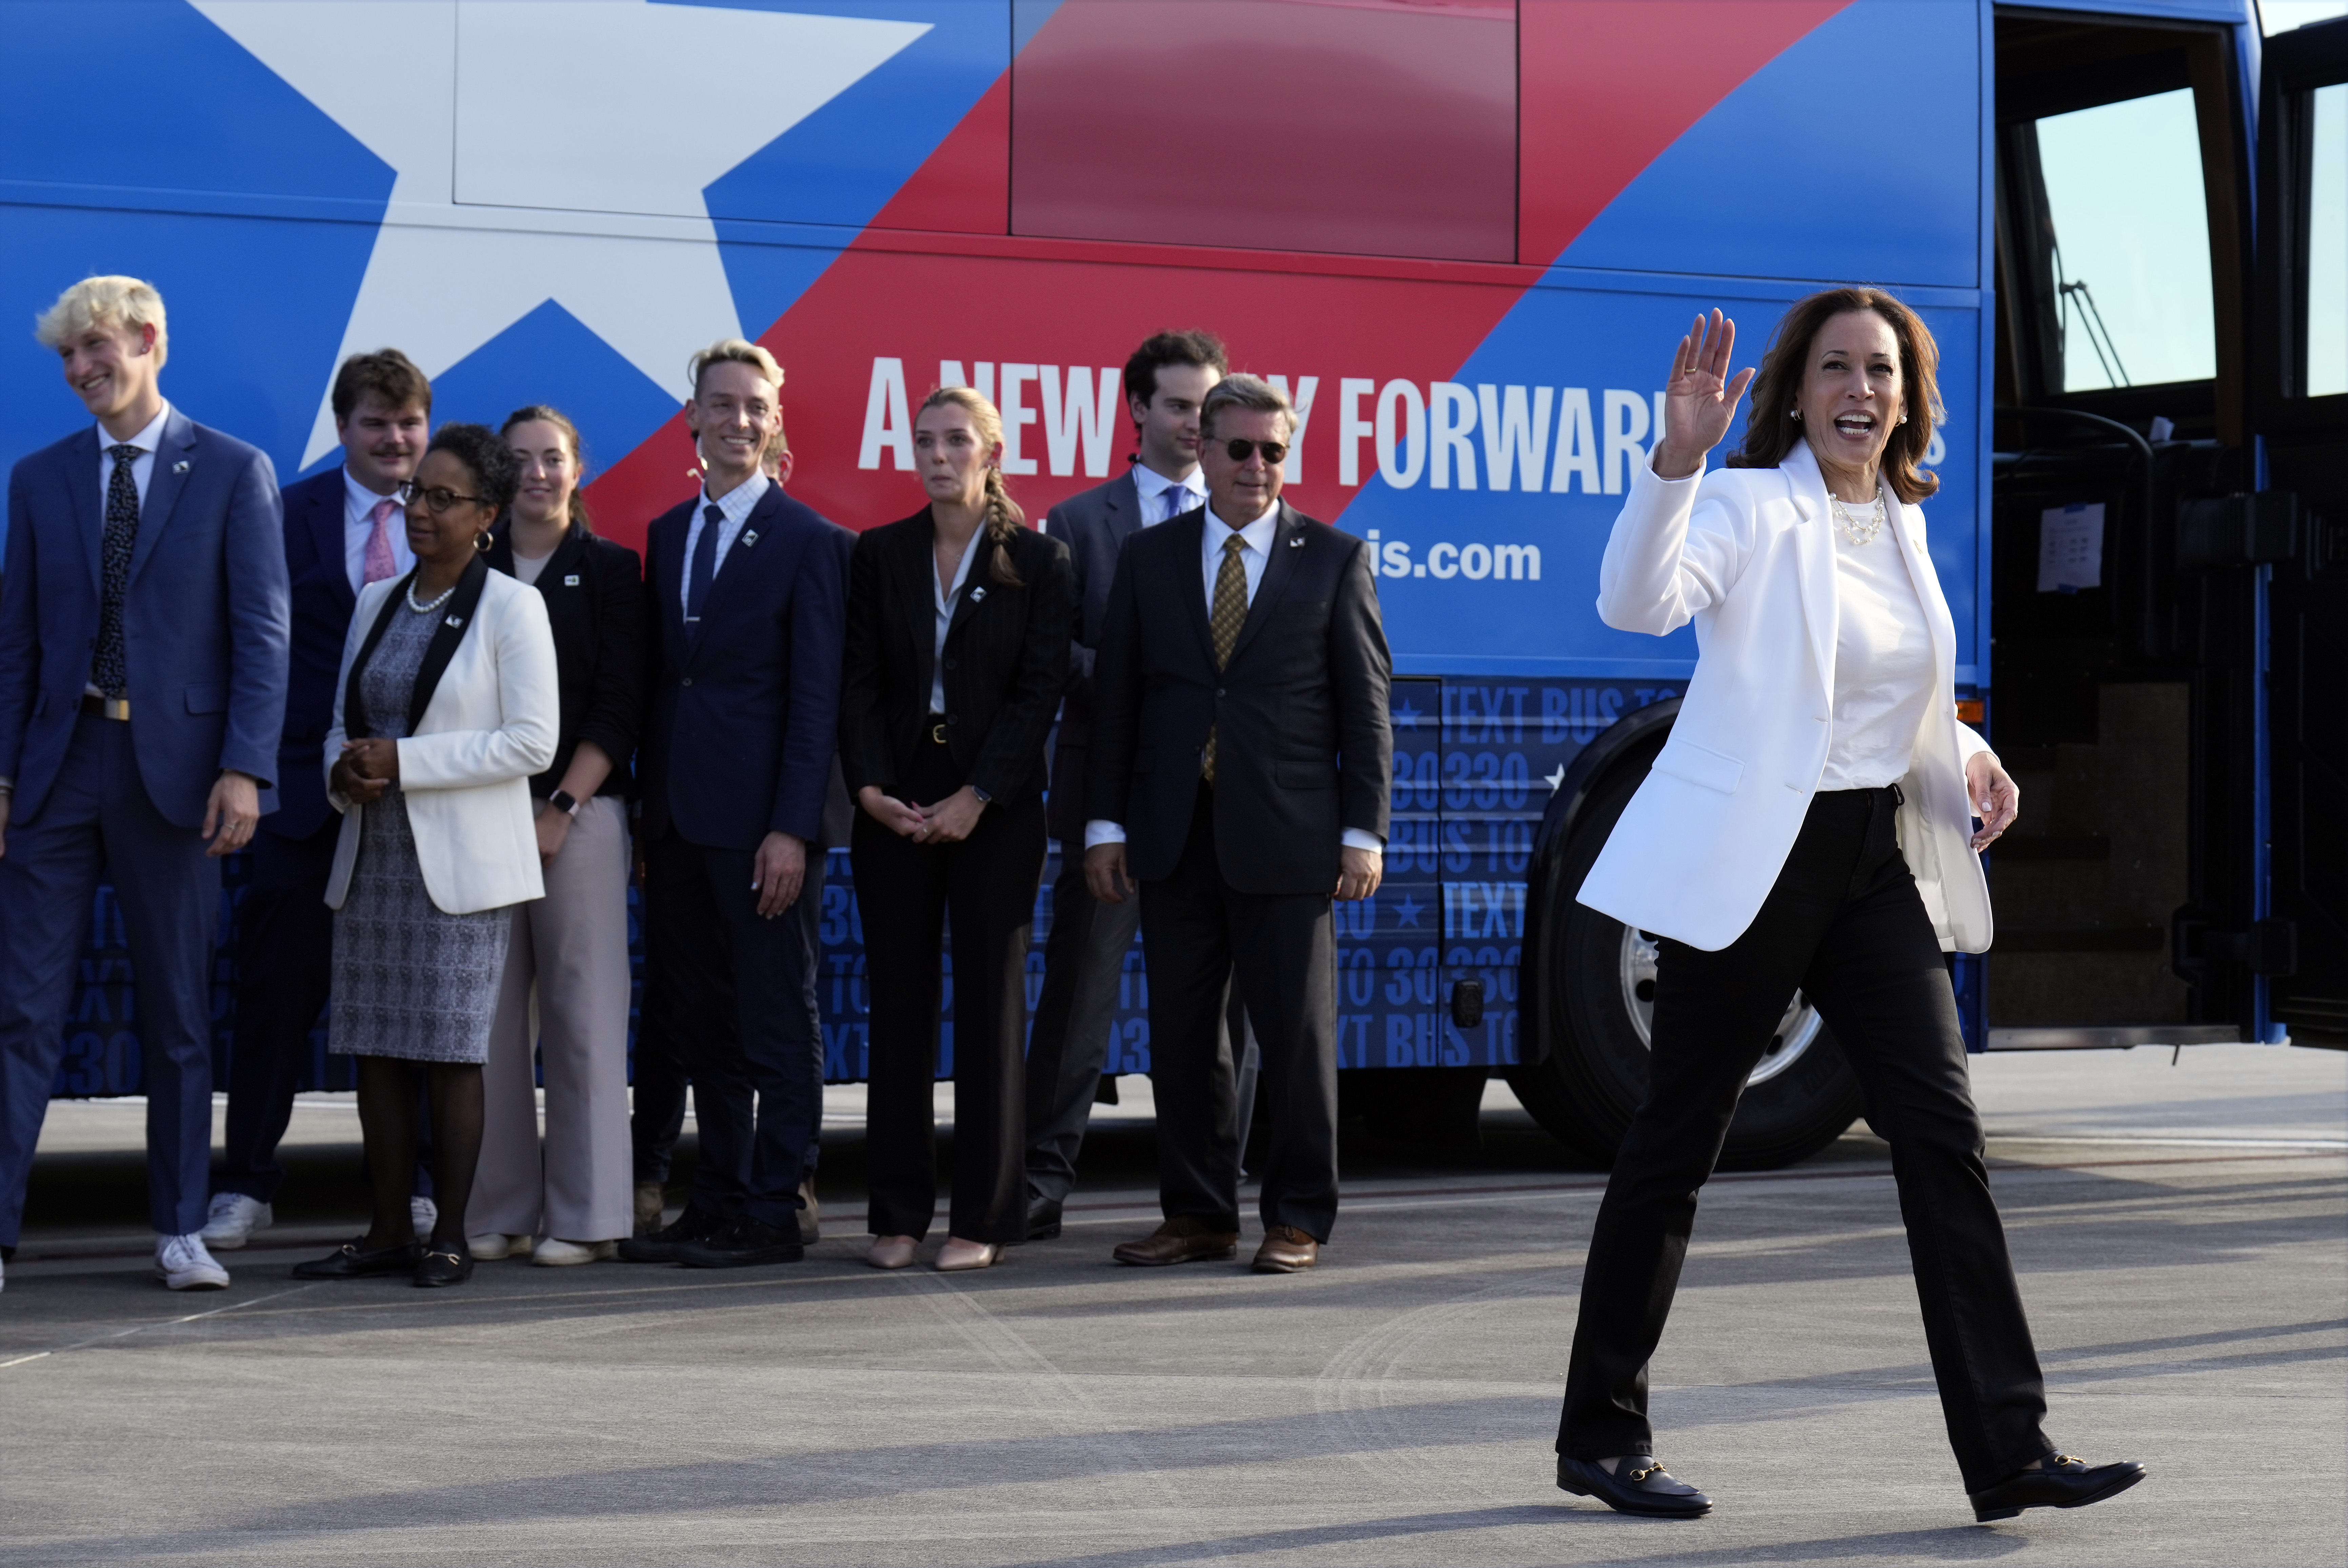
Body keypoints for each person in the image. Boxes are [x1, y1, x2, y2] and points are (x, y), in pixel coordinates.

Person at [1552, 298, 2143, 1523]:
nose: (1858, 389)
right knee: (1676, 1141)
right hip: (1753, 865)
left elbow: (1893, 691)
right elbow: (1632, 602)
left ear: (1906, 394)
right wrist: (1677, 458)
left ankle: (2008, 1446)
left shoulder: (1901, 519)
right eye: (1834, 368)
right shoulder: (1745, 505)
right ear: (1795, 390)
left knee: (1940, 1133)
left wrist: (1962, 760)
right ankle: (1600, 1432)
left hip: (1871, 860)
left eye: (1879, 369)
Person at [0, 276, 290, 1295]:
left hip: (178, 778)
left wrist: (247, 768)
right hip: (57, 766)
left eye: (96, 349)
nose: (82, 370)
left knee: (175, 1015)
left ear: (149, 341)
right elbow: (16, 643)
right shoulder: (37, 480)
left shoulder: (232, 471)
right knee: (22, 1011)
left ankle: (178, 1227)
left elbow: (263, 634)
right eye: (67, 357)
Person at [1083, 374, 1392, 1275]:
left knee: (1296, 1043)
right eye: (1241, 448)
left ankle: (1297, 1215)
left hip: (1291, 841)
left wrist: (1363, 833)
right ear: (1204, 451)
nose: (1258, 466)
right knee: (1182, 1040)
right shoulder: (1151, 557)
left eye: (1274, 450)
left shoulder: (1333, 557)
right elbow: (1118, 705)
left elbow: (1366, 707)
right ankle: (1198, 1214)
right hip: (1174, 838)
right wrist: (1106, 825)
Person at [292, 424, 558, 1289]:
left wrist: (405, 763)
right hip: (375, 856)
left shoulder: (513, 607)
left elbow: (532, 742)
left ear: (486, 515)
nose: (421, 511)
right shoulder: (376, 598)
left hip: (460, 870)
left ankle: (449, 1232)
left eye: (444, 499)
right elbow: (345, 718)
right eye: (417, 494)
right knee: (376, 1048)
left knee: (449, 1053)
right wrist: (346, 771)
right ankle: (382, 1230)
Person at [621, 339, 848, 1270]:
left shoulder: (813, 541)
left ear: (775, 421)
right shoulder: (669, 534)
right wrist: (645, 816)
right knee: (699, 1020)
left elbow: (815, 702)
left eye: (756, 406)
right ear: (695, 420)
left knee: (775, 1021)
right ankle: (713, 1197)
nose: (739, 421)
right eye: (723, 405)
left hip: (764, 833)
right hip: (677, 827)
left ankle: (775, 1203)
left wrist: (793, 827)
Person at [203, 349, 430, 1252]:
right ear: (344, 430)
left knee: (410, 1005)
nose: (395, 439)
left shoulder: (447, 514)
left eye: (409, 422)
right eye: (377, 422)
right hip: (297, 798)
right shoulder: (283, 509)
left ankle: (417, 1185)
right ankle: (247, 1184)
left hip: (414, 802)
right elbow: (245, 643)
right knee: (273, 999)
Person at [841, 388, 1073, 1272]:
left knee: (989, 1006)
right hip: (896, 800)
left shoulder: (1040, 560)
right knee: (897, 1006)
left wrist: (980, 794)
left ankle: (983, 1217)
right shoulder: (881, 554)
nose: (939, 454)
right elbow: (858, 680)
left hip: (997, 808)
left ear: (991, 450)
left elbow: (1038, 692)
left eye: (957, 441)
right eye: (926, 440)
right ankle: (897, 1213)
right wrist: (868, 788)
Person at [1023, 329, 1226, 1242]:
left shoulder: (1245, 517)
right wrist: (1149, 679)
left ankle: (1214, 1193)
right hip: (1106, 797)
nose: (1195, 421)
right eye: (1179, 405)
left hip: (1217, 806)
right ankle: (1037, 1185)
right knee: (1077, 1003)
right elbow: (1051, 652)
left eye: (1207, 406)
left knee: (1213, 1016)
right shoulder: (1076, 523)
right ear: (1138, 410)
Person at [463, 407, 645, 1265]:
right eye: (521, 460)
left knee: (583, 1019)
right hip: (479, 822)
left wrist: (561, 808)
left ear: (578, 469)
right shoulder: (471, 567)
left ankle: (587, 1214)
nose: (537, 473)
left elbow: (618, 706)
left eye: (553, 458)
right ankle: (496, 1207)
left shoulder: (610, 571)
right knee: (488, 1025)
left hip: (580, 817)